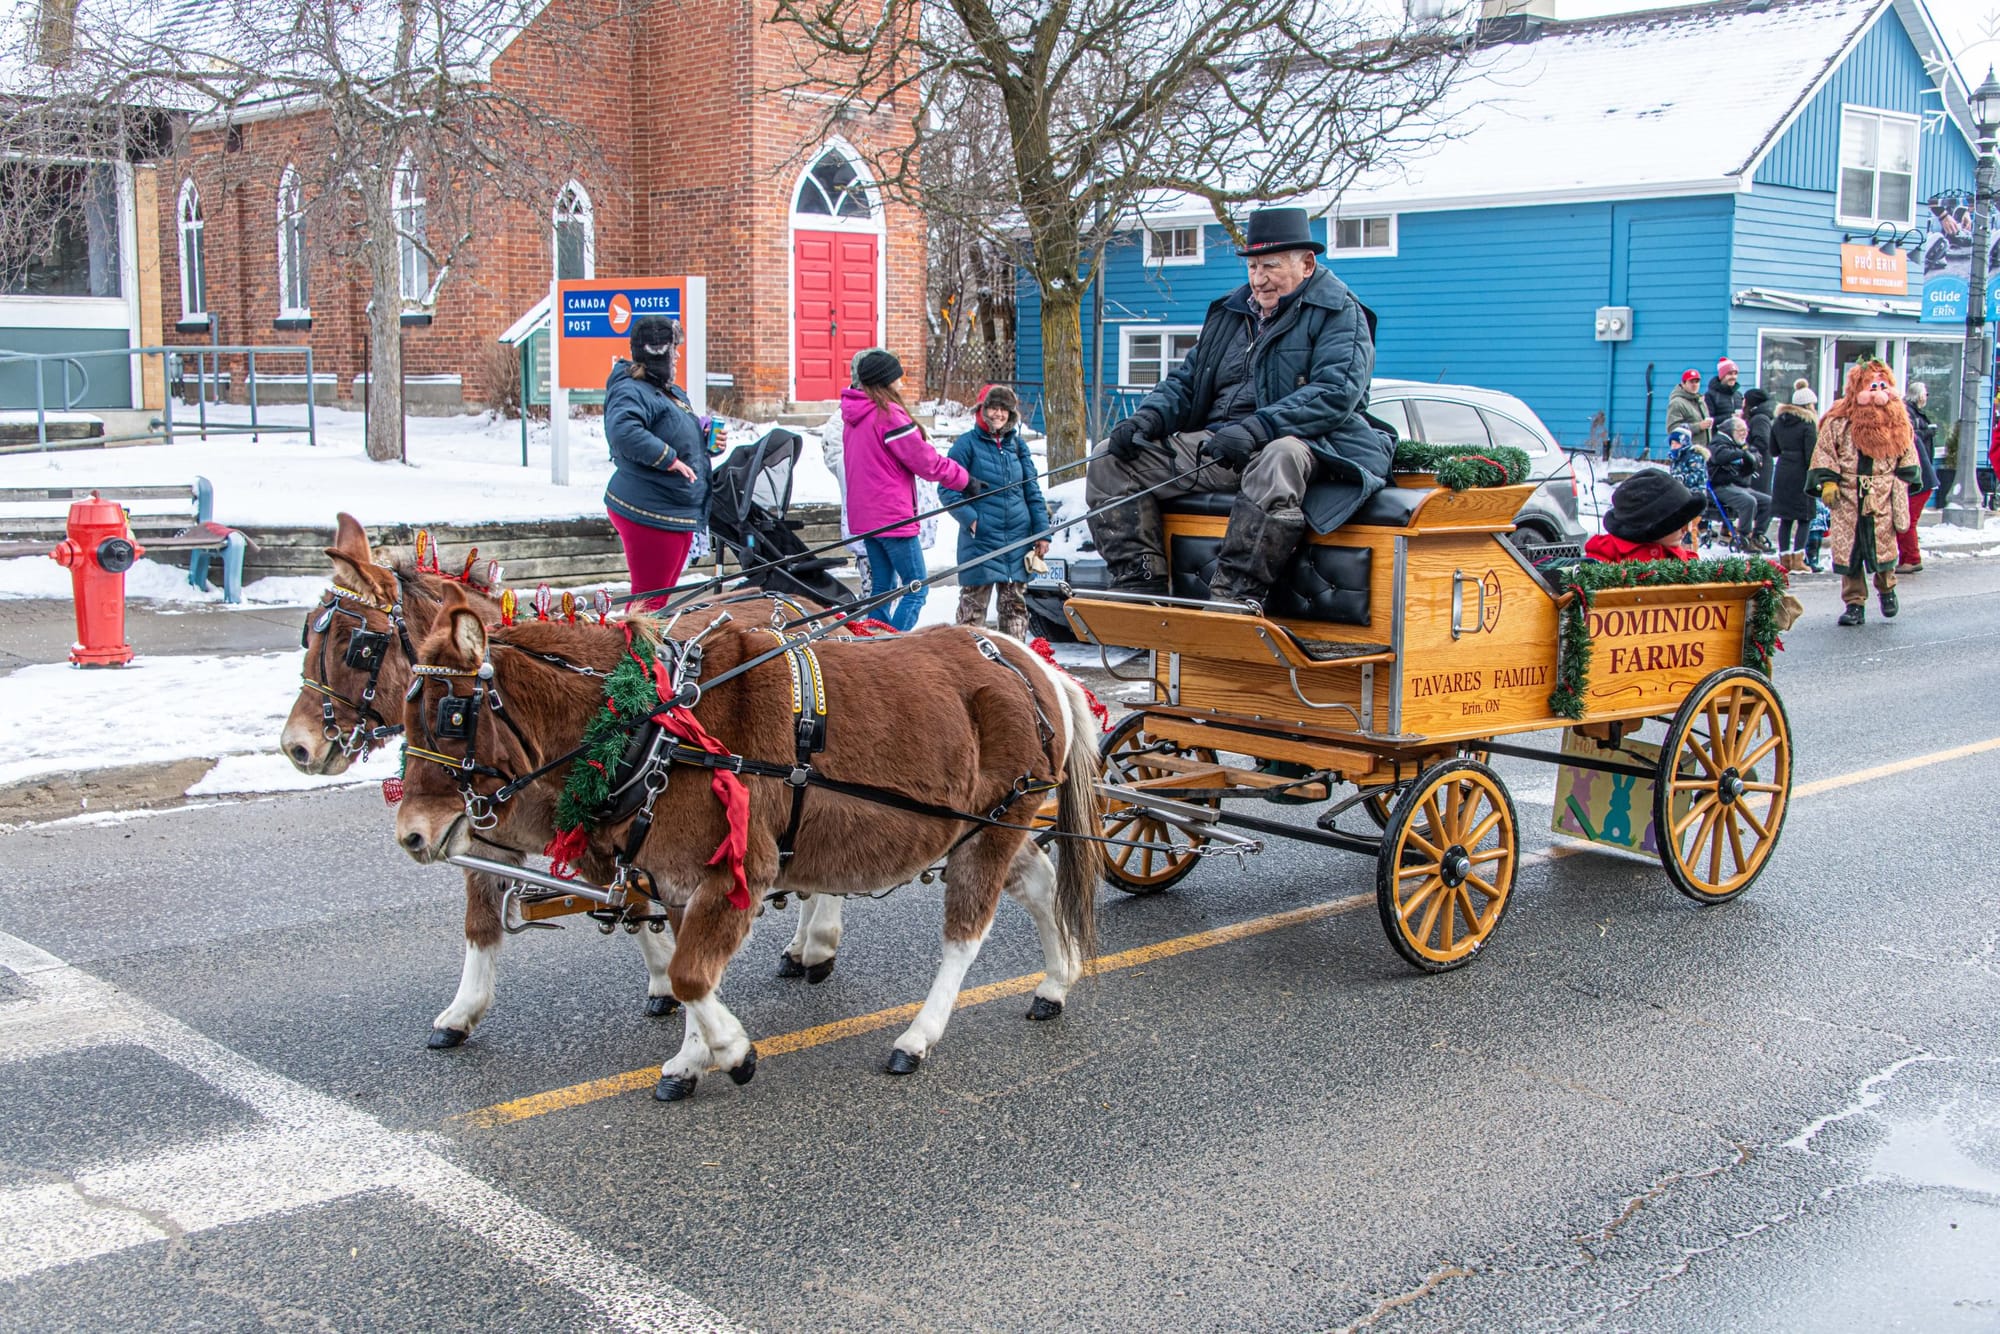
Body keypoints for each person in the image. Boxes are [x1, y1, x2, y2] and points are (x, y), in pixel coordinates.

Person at [1085, 206, 1394, 611]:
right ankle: (1140, 586)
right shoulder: (1230, 314)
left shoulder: (1340, 313)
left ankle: (1235, 594)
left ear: (1306, 263)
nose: (1259, 278)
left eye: (1270, 265)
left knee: (1278, 456)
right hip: (1221, 445)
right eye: (1252, 266)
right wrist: (1148, 417)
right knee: (1110, 457)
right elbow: (1187, 381)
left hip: (1312, 443)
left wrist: (1257, 428)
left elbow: (1335, 393)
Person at [840, 348, 974, 631]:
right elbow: (926, 462)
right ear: (884, 381)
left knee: (883, 588)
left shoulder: (855, 416)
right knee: (917, 588)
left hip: (867, 519)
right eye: (897, 377)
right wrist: (965, 481)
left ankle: (875, 646)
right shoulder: (887, 416)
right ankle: (896, 647)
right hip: (893, 518)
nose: (901, 383)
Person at [604, 314, 708, 610]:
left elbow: (669, 430)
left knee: (656, 601)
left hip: (672, 507)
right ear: (657, 351)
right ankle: (637, 655)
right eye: (673, 348)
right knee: (647, 603)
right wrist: (669, 459)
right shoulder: (631, 389)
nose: (677, 355)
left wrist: (703, 441)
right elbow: (623, 432)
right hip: (650, 509)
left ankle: (647, 653)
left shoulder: (662, 390)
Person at [1808, 359, 1921, 626]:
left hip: (1882, 493)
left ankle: (1887, 589)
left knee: (1883, 546)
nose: (1878, 392)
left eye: (1883, 385)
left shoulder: (1898, 421)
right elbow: (1825, 451)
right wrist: (1828, 481)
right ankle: (1854, 603)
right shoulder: (1839, 421)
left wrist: (1904, 482)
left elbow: (1908, 454)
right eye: (1872, 386)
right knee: (1850, 551)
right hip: (1848, 495)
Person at [939, 385, 1049, 639]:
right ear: (982, 409)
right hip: (981, 542)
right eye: (993, 408)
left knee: (1015, 611)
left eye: (1004, 409)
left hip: (1018, 540)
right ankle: (968, 666)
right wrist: (973, 520)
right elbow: (947, 490)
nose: (998, 414)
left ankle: (1014, 666)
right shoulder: (966, 445)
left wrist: (1042, 533)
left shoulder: (1018, 447)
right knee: (972, 612)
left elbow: (1032, 491)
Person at [1584, 470, 1704, 563]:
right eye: (1678, 525)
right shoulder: (1605, 556)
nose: (1687, 530)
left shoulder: (1680, 557)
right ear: (1653, 524)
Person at [1770, 379, 1819, 572]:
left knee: (1785, 518)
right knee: (1805, 517)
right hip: (1801, 473)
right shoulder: (1808, 424)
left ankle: (1784, 559)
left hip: (1782, 471)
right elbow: (1811, 455)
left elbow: (1773, 450)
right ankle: (1799, 558)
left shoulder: (1778, 422)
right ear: (1808, 405)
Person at [1895, 381, 1940, 573]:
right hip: (1920, 476)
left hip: (1919, 479)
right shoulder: (1909, 414)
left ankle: (1911, 559)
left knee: (1906, 521)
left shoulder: (1906, 421)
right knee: (1905, 521)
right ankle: (1909, 558)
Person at [1706, 417, 1765, 550]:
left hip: (1737, 485)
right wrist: (1743, 454)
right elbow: (1720, 456)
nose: (1744, 433)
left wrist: (1750, 457)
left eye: (1746, 430)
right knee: (1748, 501)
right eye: (1741, 430)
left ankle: (1757, 535)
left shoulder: (1738, 442)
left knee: (1767, 501)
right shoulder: (1718, 442)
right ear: (1730, 431)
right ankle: (1744, 537)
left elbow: (1755, 454)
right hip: (1720, 486)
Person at [1664, 370, 1712, 450]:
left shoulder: (1700, 401)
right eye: (1691, 382)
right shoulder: (1677, 403)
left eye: (1697, 382)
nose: (1694, 385)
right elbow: (1673, 429)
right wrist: (1698, 426)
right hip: (1687, 451)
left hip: (1704, 450)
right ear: (1683, 384)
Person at [1704, 357, 1744, 428]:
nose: (1733, 377)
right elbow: (1708, 421)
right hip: (1718, 436)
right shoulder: (1710, 395)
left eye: (1735, 374)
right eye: (1730, 374)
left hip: (1737, 436)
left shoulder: (1738, 395)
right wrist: (1730, 417)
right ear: (1721, 376)